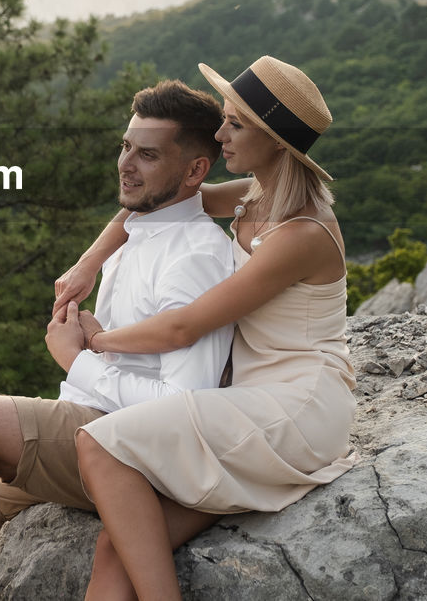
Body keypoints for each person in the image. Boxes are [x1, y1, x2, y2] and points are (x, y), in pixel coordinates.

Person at [0, 80, 239, 601]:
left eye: (147, 155)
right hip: (84, 429)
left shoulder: (193, 258)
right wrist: (97, 332)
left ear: (194, 171)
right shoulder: (140, 231)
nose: (126, 164)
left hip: (128, 449)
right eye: (125, 146)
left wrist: (77, 359)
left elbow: (184, 411)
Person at [51, 55, 358, 601]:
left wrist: (93, 344)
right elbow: (153, 206)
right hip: (248, 399)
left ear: (275, 141)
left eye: (235, 124)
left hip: (296, 405)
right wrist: (88, 263)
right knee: (117, 547)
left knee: (100, 443)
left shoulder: (302, 232)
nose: (219, 134)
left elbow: (184, 327)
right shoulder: (254, 196)